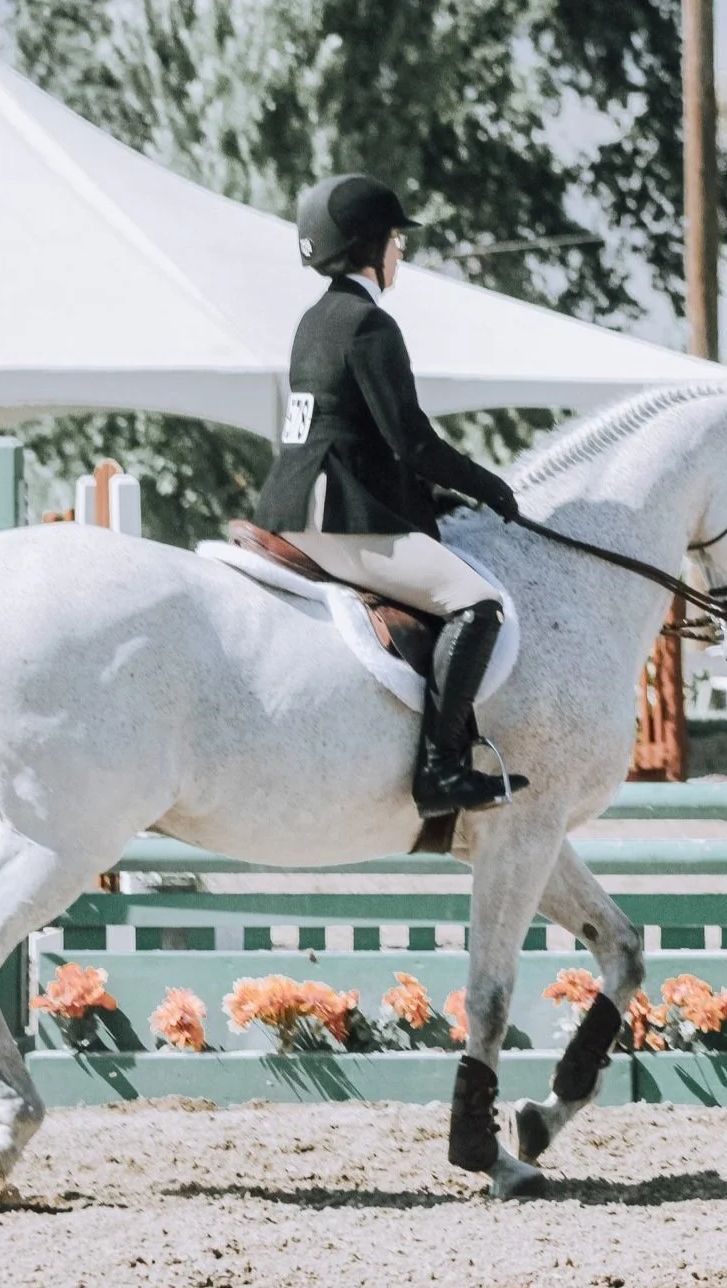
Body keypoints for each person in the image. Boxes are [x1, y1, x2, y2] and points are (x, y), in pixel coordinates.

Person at [250, 173, 529, 818]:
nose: (401, 251)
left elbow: (357, 437)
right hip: (340, 522)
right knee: (478, 602)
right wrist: (490, 488)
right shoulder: (370, 325)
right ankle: (442, 771)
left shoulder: (312, 322)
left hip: (292, 508)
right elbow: (411, 442)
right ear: (370, 245)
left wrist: (432, 501)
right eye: (397, 239)